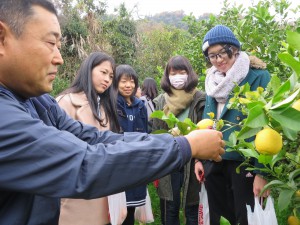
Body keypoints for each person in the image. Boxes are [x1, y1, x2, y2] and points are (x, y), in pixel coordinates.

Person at [0, 1, 225, 224]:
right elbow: (85, 163)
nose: (58, 57)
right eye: (51, 43)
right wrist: (187, 146)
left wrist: (178, 141)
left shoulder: (39, 104)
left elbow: (97, 138)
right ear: (2, 38)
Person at [194, 25, 270, 225]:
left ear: (234, 49)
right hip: (214, 161)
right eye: (212, 56)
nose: (219, 60)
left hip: (243, 162)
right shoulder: (212, 80)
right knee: (219, 218)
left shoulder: (258, 76)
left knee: (245, 218)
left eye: (223, 52)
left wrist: (262, 173)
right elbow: (206, 121)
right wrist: (199, 159)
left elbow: (269, 128)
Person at [56, 52, 120, 225]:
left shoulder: (104, 108)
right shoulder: (65, 102)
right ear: (88, 70)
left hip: (103, 194)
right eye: (103, 72)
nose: (107, 79)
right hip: (76, 195)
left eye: (111, 76)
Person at [152, 55, 206, 225]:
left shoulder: (199, 98)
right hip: (170, 158)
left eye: (181, 72)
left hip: (194, 157)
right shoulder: (161, 100)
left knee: (192, 206)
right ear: (167, 76)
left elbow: (205, 128)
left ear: (189, 73)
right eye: (173, 73)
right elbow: (156, 132)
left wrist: (200, 159)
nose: (177, 76)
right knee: (170, 206)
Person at [114, 64, 148, 225]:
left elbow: (145, 134)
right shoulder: (112, 104)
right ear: (115, 83)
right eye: (123, 81)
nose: (128, 85)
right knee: (116, 210)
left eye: (132, 81)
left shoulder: (140, 105)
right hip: (119, 163)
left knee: (131, 208)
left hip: (137, 162)